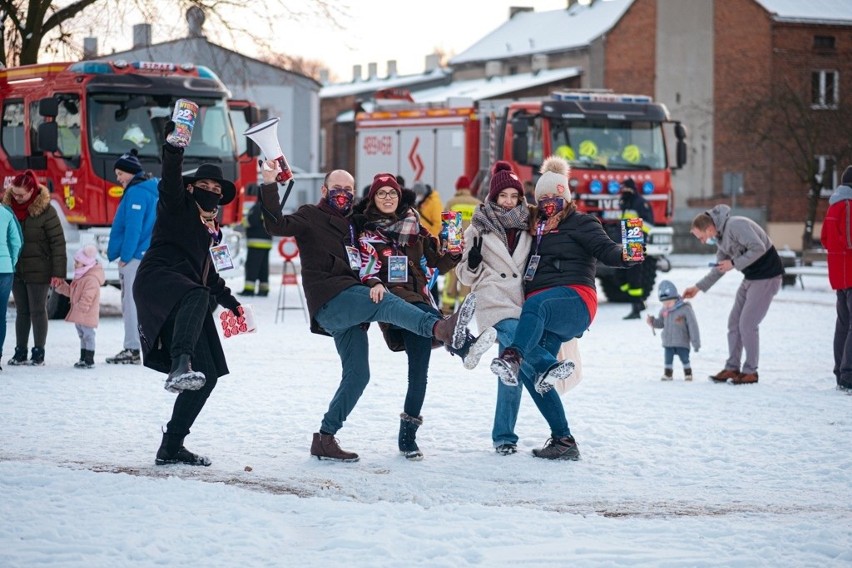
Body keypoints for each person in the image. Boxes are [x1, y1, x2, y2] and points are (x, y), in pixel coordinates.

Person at [258, 162, 476, 463]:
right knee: (383, 301)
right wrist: (269, 184)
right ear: (324, 191)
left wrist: (453, 251)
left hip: (354, 309)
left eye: (348, 190)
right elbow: (275, 226)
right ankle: (442, 329)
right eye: (337, 189)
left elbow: (370, 255)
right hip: (332, 297)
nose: (343, 195)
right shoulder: (312, 215)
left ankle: (324, 437)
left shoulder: (354, 224)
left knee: (358, 375)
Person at [489, 155, 640, 460]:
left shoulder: (582, 222)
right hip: (543, 312)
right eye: (542, 198)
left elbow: (605, 249)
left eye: (555, 197)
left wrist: (626, 255)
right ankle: (563, 439)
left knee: (537, 305)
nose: (548, 203)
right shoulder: (534, 225)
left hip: (575, 299)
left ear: (565, 196)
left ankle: (512, 356)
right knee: (535, 374)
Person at [352, 173, 493, 460]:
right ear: (373, 199)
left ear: (400, 196)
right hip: (391, 304)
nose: (388, 198)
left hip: (423, 305)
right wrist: (373, 283)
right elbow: (364, 269)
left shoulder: (415, 227)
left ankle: (407, 439)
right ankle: (464, 343)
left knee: (419, 374)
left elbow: (439, 264)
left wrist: (453, 252)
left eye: (393, 193)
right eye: (382, 194)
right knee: (421, 312)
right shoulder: (367, 234)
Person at [134, 117, 243, 467]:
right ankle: (180, 365)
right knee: (198, 295)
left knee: (209, 376)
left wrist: (233, 303)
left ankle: (172, 446)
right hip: (158, 281)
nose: (210, 189)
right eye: (204, 183)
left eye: (216, 186)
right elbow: (169, 176)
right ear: (193, 187)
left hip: (188, 295)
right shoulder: (176, 205)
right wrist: (174, 146)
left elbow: (208, 278)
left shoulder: (212, 230)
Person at [457, 160, 536, 455]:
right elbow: (464, 276)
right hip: (493, 299)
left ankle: (504, 436)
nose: (509, 201)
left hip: (521, 300)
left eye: (514, 196)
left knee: (511, 367)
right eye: (503, 196)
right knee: (515, 346)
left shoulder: (529, 225)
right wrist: (474, 262)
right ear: (493, 197)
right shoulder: (477, 228)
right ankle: (504, 435)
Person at [683, 205, 785, 385]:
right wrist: (697, 288)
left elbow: (758, 248)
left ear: (709, 228)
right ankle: (732, 367)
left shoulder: (736, 225)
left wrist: (733, 262)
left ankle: (750, 372)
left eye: (701, 237)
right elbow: (719, 269)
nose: (702, 241)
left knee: (747, 324)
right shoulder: (721, 239)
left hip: (768, 276)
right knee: (734, 322)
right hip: (751, 277)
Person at [2, 170, 67, 366]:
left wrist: (58, 273)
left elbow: (58, 243)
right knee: (22, 310)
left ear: (32, 192)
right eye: (14, 193)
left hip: (40, 268)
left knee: (38, 309)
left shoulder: (46, 211)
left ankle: (39, 351)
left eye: (21, 194)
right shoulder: (7, 209)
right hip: (16, 267)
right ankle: (20, 351)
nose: (17, 198)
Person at [105, 149, 158, 365]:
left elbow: (133, 229)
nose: (118, 179)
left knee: (130, 304)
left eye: (120, 174)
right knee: (146, 302)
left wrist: (125, 256)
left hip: (135, 257)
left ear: (130, 172)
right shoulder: (151, 190)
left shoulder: (136, 193)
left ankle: (132, 348)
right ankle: (148, 346)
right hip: (149, 254)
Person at [820, 165, 852, 391]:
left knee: (843, 323)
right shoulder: (850, 205)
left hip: (839, 274)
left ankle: (840, 371)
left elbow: (824, 239)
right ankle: (848, 373)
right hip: (850, 271)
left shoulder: (833, 205)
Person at [52, 245, 105, 369]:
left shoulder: (91, 279)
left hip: (86, 314)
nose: (75, 264)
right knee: (82, 336)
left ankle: (89, 359)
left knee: (88, 335)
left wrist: (81, 308)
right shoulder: (80, 277)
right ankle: (83, 357)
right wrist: (61, 286)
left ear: (86, 264)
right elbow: (72, 292)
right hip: (80, 314)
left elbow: (88, 297)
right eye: (75, 262)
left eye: (78, 262)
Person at [441, 175, 482, 313]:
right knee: (467, 280)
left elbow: (447, 226)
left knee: (451, 280)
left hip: (455, 245)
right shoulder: (477, 203)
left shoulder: (452, 203)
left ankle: (447, 309)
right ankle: (464, 311)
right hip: (471, 246)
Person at [646, 280, 701, 381]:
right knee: (668, 359)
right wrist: (653, 322)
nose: (666, 305)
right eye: (664, 303)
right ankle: (668, 374)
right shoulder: (663, 310)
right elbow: (661, 323)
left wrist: (695, 343)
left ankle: (688, 373)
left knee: (685, 359)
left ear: (675, 298)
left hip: (682, 342)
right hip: (668, 342)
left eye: (669, 303)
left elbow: (693, 326)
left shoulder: (685, 310)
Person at [618, 178, 655, 319]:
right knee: (621, 275)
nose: (624, 191)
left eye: (626, 189)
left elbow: (648, 224)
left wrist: (635, 233)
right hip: (624, 241)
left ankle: (636, 308)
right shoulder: (625, 202)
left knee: (634, 276)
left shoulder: (640, 203)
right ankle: (638, 303)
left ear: (632, 189)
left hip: (634, 242)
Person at [0, 201, 22, 370]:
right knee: (1, 314)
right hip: (5, 270)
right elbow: (16, 242)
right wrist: (11, 261)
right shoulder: (6, 213)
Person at [238, 200, 272, 297]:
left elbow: (251, 221)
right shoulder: (269, 206)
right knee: (263, 267)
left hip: (256, 242)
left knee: (252, 266)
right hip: (266, 242)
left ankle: (249, 290)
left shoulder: (257, 207)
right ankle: (263, 289)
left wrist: (243, 222)